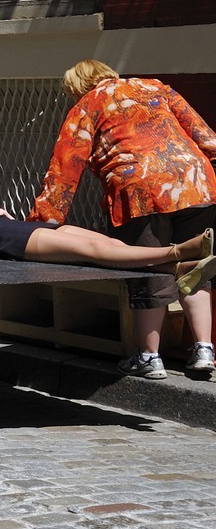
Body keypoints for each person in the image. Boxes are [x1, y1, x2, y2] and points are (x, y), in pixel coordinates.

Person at [30, 59, 216, 380]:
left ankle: (148, 356)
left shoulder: (88, 105)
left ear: (79, 86)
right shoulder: (156, 87)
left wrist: (39, 226)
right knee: (196, 266)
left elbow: (65, 168)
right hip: (196, 182)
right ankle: (203, 350)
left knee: (150, 267)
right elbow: (206, 138)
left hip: (140, 188)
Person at [0, 166, 214, 276]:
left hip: (26, 229)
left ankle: (177, 268)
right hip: (18, 243)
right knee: (94, 253)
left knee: (109, 242)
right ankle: (176, 251)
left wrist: (3, 214)